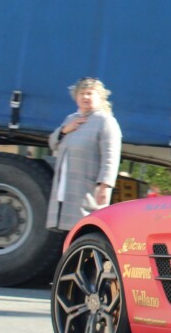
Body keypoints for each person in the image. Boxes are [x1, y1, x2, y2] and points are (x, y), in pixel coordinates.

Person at [47, 77, 122, 232]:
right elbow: (52, 143)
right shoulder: (70, 119)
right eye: (82, 93)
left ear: (100, 97)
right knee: (64, 234)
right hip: (64, 188)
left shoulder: (105, 121)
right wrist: (63, 131)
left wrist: (105, 186)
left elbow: (111, 157)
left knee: (83, 230)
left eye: (90, 93)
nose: (85, 97)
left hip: (86, 190)